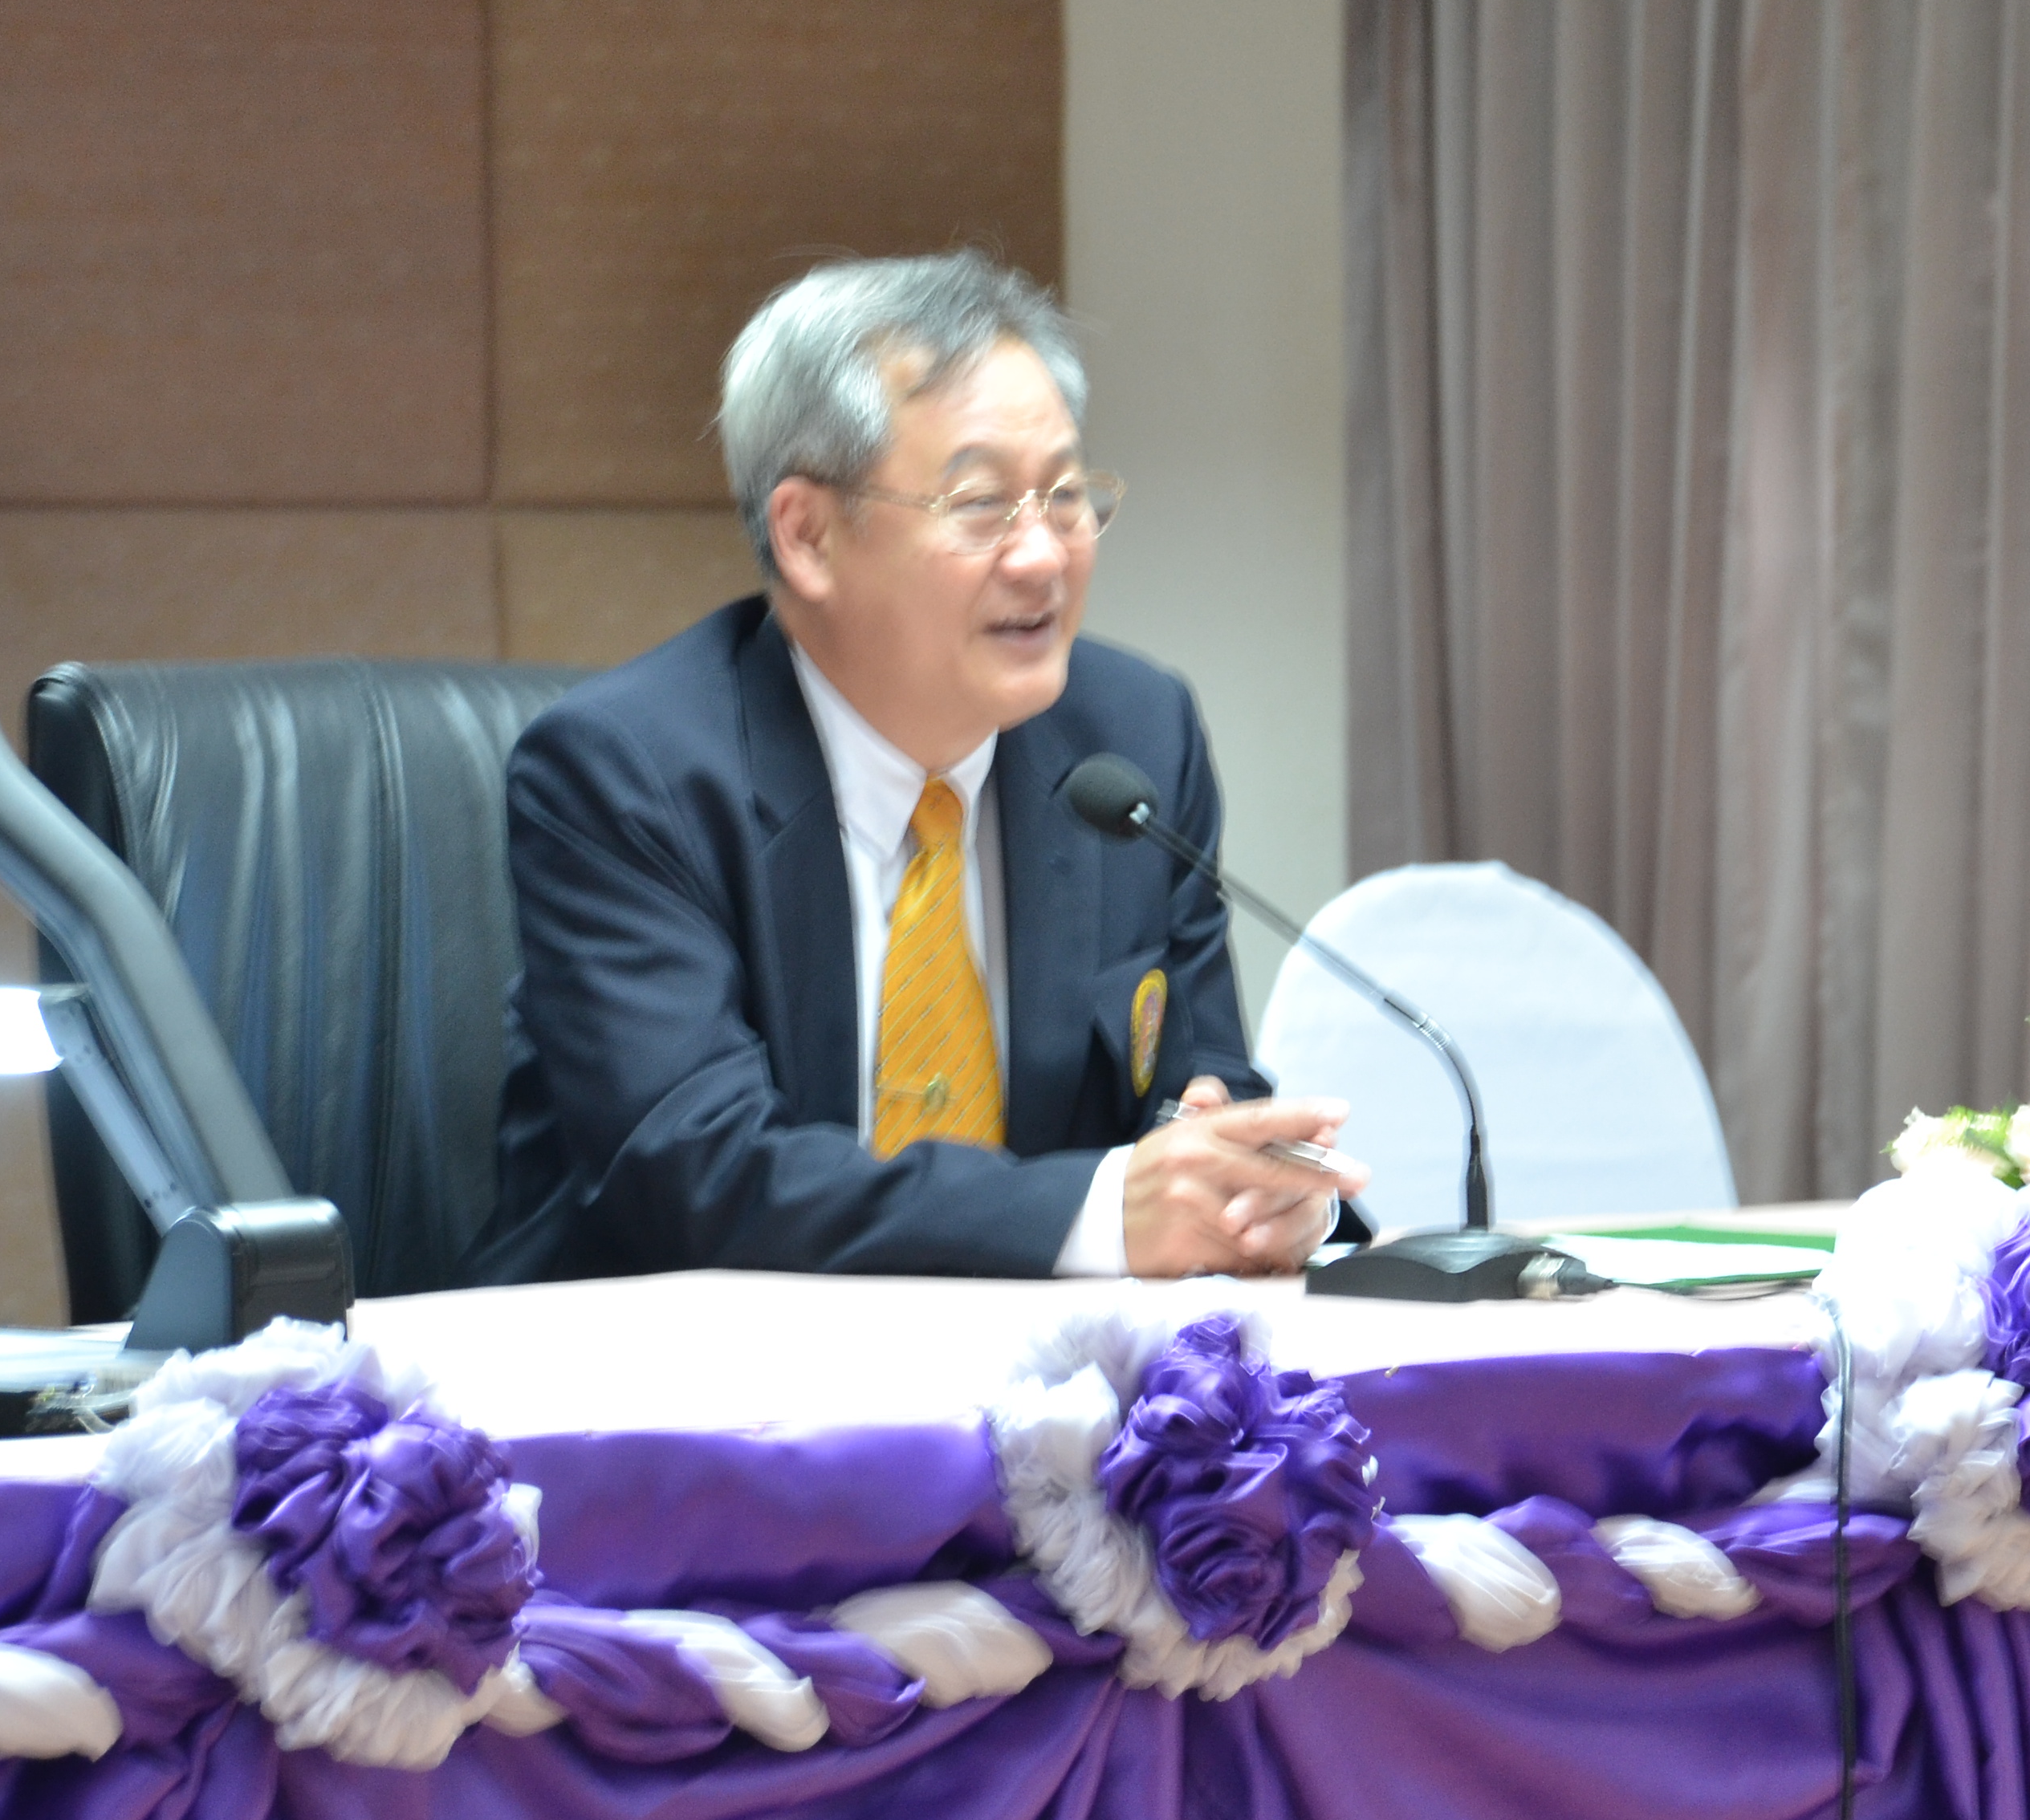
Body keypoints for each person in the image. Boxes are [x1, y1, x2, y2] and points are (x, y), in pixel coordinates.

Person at [466, 251, 1364, 1282]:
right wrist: (1102, 1212)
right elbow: (700, 1177)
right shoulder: (629, 775)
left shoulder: (1130, 743)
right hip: (660, 1364)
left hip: (1042, 1364)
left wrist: (1251, 1189)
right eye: (981, 504)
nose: (1043, 555)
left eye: (1066, 494)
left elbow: (1204, 1082)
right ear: (808, 535)